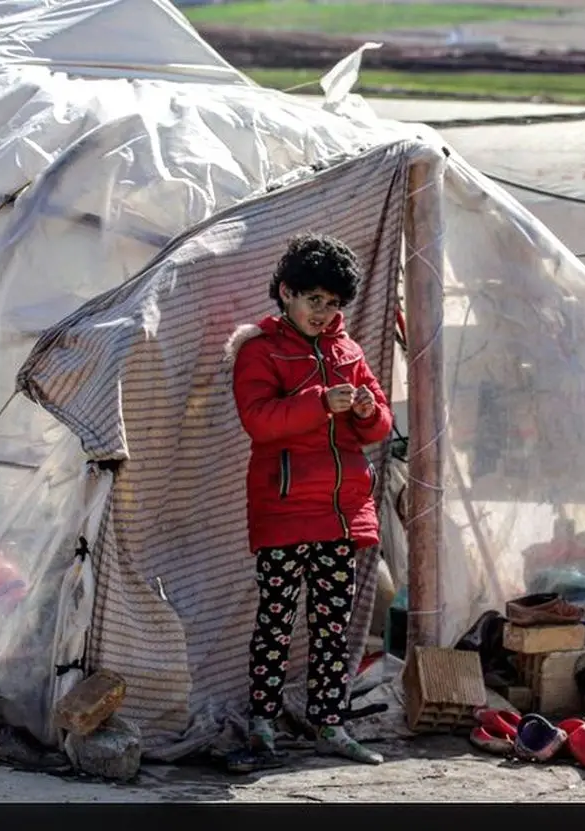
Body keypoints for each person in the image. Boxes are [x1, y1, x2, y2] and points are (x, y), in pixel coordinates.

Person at [225, 233, 393, 766]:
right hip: (284, 510)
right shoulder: (259, 349)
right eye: (314, 299)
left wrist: (365, 409)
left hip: (340, 514)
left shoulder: (350, 351)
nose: (324, 313)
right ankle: (262, 725)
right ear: (286, 293)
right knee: (275, 622)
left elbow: (379, 425)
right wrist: (321, 401)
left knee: (333, 626)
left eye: (334, 303)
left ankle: (330, 724)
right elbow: (259, 421)